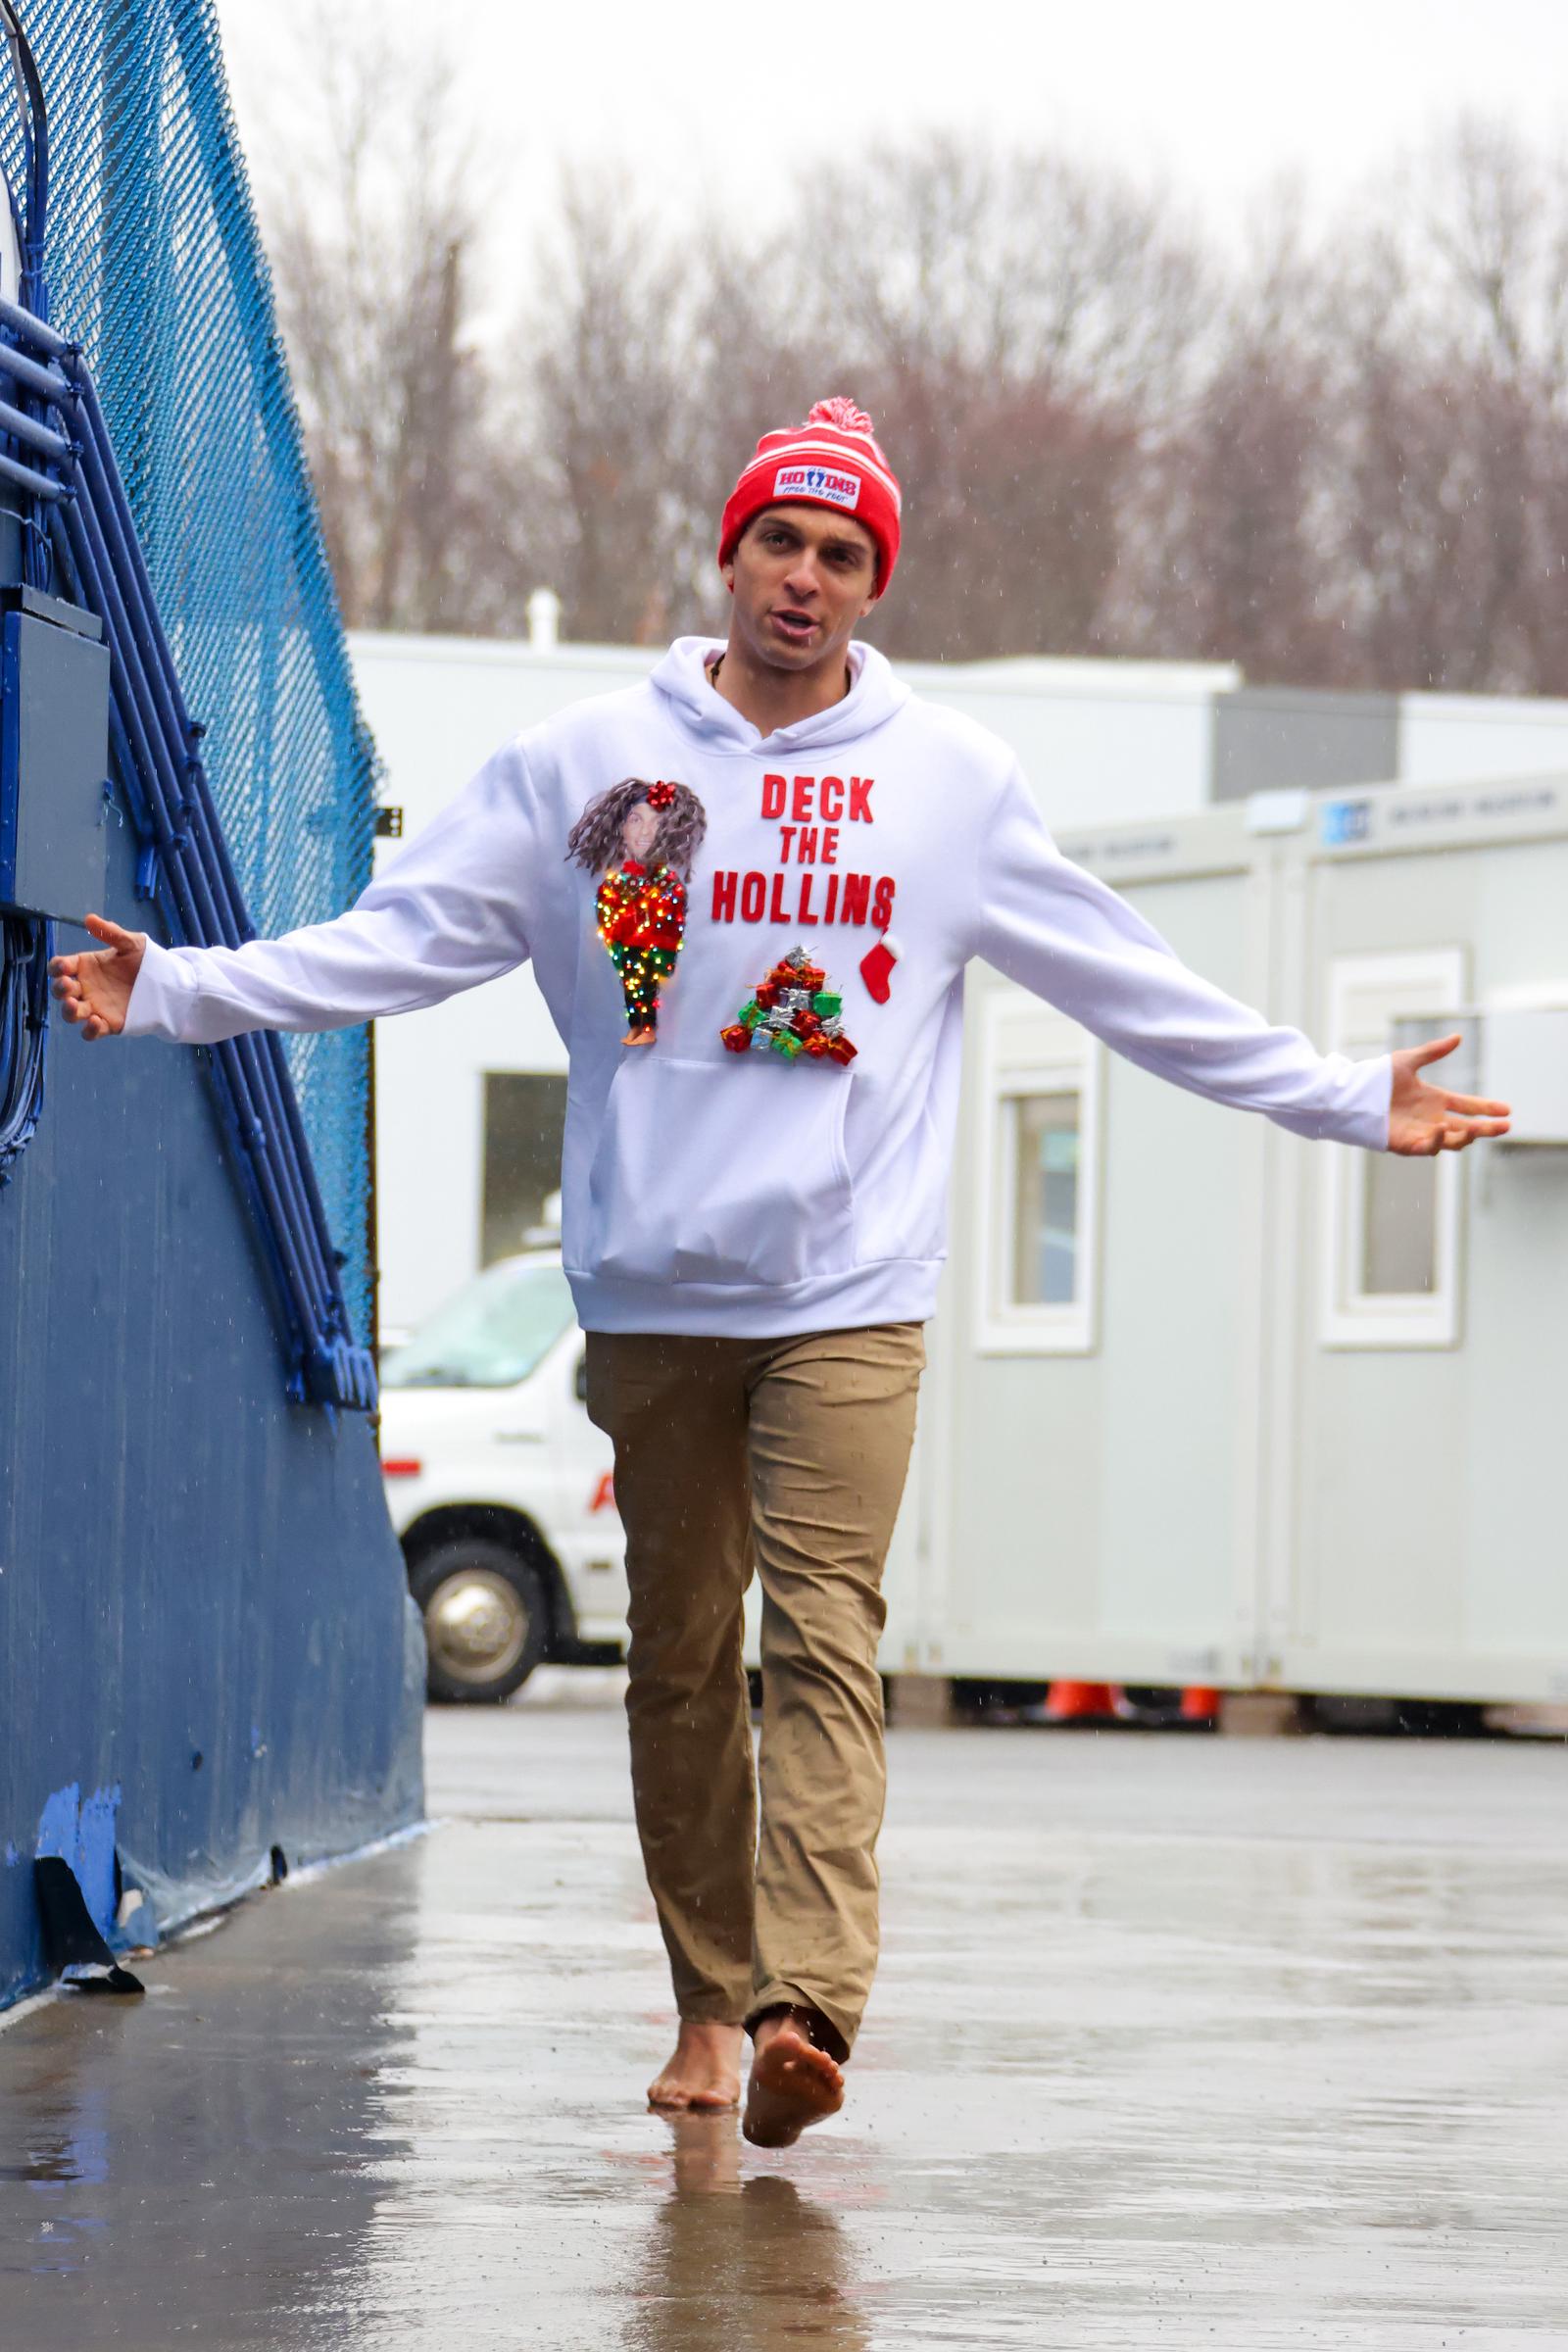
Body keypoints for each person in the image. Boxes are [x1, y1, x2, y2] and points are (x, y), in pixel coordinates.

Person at [49, 395, 1511, 2149]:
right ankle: (706, 2009)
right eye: (780, 542)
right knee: (679, 1660)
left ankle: (810, 2007)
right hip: (655, 1297)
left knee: (826, 1636)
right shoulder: (589, 766)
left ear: (873, 584)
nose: (805, 579)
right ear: (726, 553)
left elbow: (1135, 985)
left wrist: (1350, 1097)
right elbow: (406, 940)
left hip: (850, 1290)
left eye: (842, 554)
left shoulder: (948, 791)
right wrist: (190, 986)